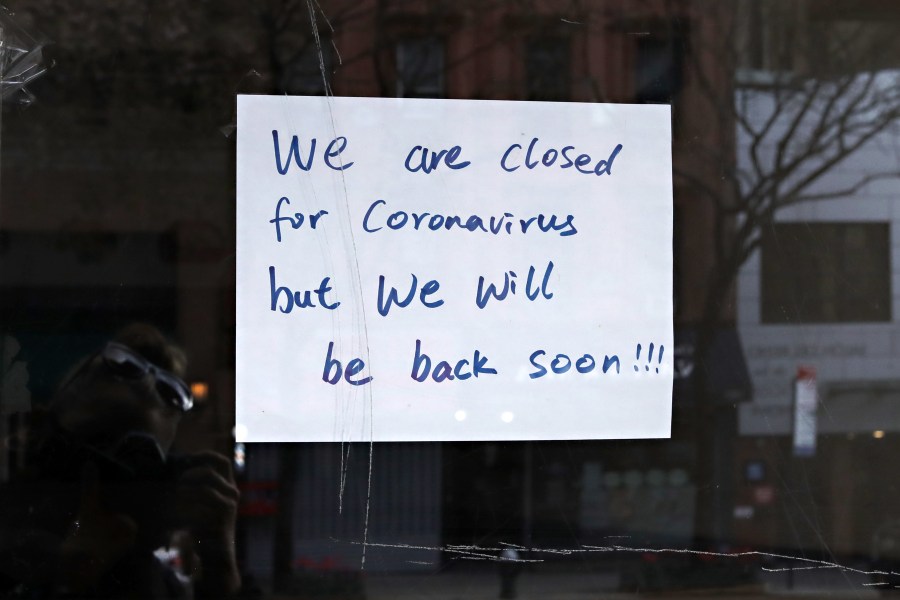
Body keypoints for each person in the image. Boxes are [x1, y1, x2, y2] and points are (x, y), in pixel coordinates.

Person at [0, 324, 240, 598]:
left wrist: (220, 565)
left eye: (140, 467)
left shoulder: (154, 580)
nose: (118, 486)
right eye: (99, 456)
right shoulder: (13, 546)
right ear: (41, 445)